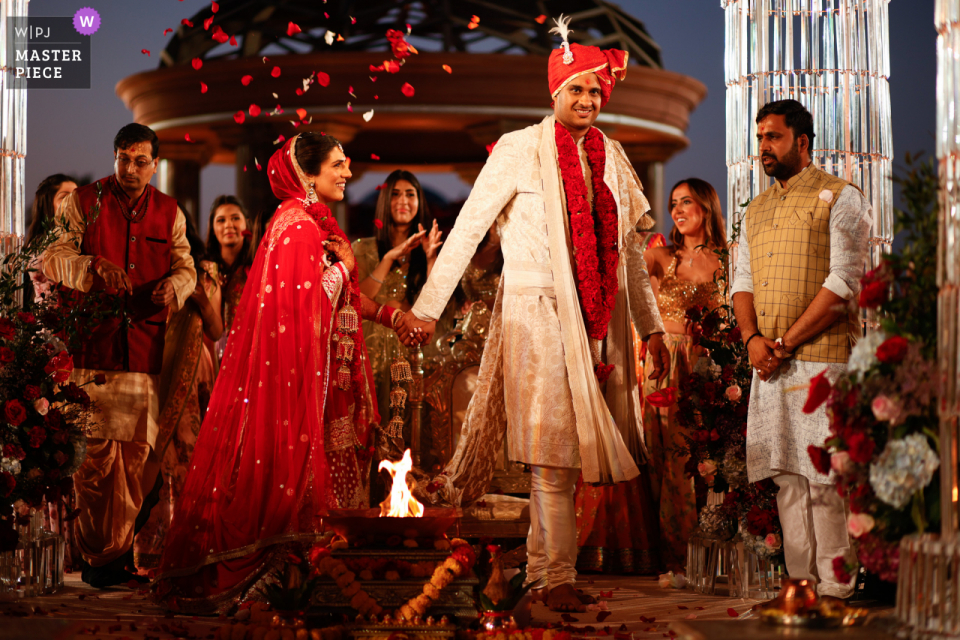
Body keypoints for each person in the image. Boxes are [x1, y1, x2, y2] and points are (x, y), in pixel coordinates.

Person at [399, 20, 670, 612]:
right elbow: (469, 227)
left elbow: (627, 251)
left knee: (565, 456)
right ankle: (554, 578)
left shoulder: (613, 157)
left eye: (596, 92)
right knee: (552, 449)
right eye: (577, 89)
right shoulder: (521, 148)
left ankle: (549, 575)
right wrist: (425, 309)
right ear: (554, 94)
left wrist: (651, 327)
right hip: (534, 310)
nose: (587, 101)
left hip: (594, 317)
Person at [154, 133, 409, 613]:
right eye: (338, 164)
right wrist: (346, 267)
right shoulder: (299, 228)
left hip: (302, 379)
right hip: (294, 384)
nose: (348, 173)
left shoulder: (295, 222)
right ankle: (281, 573)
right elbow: (306, 304)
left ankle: (298, 572)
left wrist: (393, 316)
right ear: (308, 174)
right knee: (283, 490)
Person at [42, 123, 196, 588]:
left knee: (134, 463)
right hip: (92, 350)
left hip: (144, 351)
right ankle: (99, 561)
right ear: (114, 158)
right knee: (94, 463)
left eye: (140, 160)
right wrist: (91, 266)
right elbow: (53, 255)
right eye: (123, 158)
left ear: (155, 164)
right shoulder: (83, 202)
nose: (131, 169)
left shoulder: (170, 212)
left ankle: (117, 558)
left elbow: (185, 263)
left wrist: (177, 286)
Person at [731, 99, 871, 600]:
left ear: (803, 142)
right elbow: (741, 281)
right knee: (788, 479)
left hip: (822, 359)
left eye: (774, 137)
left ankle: (836, 589)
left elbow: (843, 285)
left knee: (825, 480)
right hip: (768, 363)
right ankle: (799, 588)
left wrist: (786, 342)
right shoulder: (757, 208)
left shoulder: (840, 197)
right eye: (760, 137)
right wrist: (753, 341)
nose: (763, 147)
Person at [640, 178, 726, 572]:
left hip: (705, 366)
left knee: (700, 459)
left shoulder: (727, 260)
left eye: (686, 202)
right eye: (673, 203)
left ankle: (702, 554)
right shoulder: (659, 256)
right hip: (662, 365)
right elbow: (626, 286)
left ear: (706, 208)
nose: (677, 210)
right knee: (662, 459)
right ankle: (664, 554)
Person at [134, 215, 223, 569]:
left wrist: (200, 299)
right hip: (151, 368)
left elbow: (216, 330)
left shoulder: (203, 272)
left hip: (192, 370)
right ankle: (150, 548)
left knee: (186, 457)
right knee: (152, 458)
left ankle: (187, 546)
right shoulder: (144, 266)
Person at [354, 170, 444, 418]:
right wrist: (388, 259)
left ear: (419, 202)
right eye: (395, 194)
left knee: (414, 425)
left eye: (410, 194)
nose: (403, 200)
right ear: (384, 201)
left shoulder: (429, 249)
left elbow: (435, 305)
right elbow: (355, 300)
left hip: (413, 350)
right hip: (370, 353)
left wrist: (430, 259)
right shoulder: (362, 248)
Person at [204, 195, 254, 363]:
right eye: (221, 220)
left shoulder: (258, 266)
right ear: (212, 227)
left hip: (250, 354)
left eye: (235, 218)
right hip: (210, 357)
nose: (228, 225)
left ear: (246, 223)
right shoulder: (204, 269)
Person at [26, 174, 79, 304]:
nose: (72, 201)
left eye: (76, 196)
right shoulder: (39, 243)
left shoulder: (81, 238)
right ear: (48, 204)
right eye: (65, 197)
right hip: (48, 318)